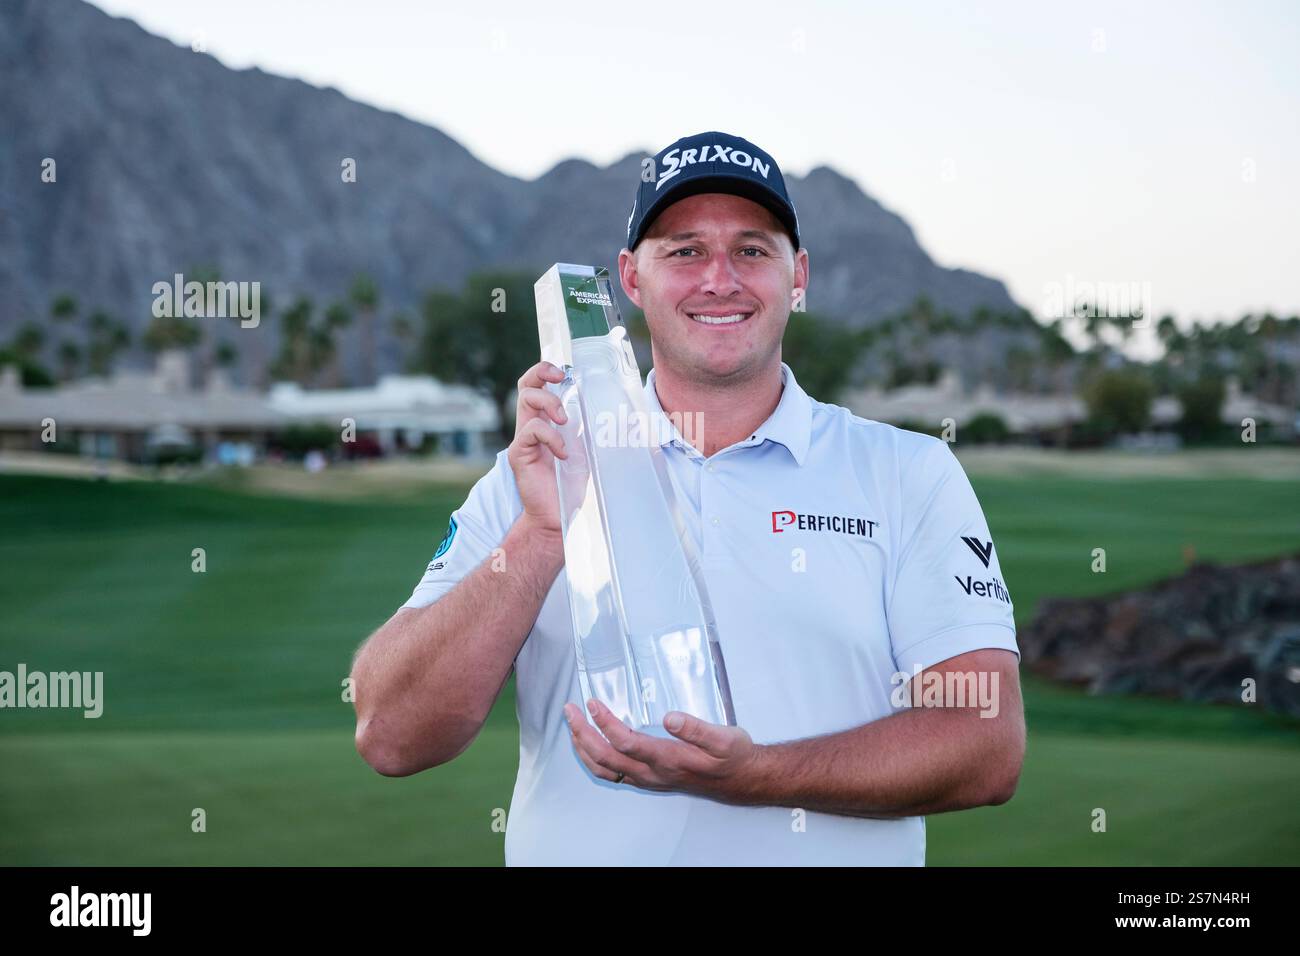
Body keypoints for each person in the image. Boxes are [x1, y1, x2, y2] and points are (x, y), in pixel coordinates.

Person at [351, 131, 1025, 865]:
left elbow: (986, 745)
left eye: (752, 250)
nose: (720, 279)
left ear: (797, 276)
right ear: (630, 279)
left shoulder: (909, 473)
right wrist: (543, 533)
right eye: (684, 251)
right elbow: (390, 734)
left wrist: (756, 776)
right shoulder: (535, 473)